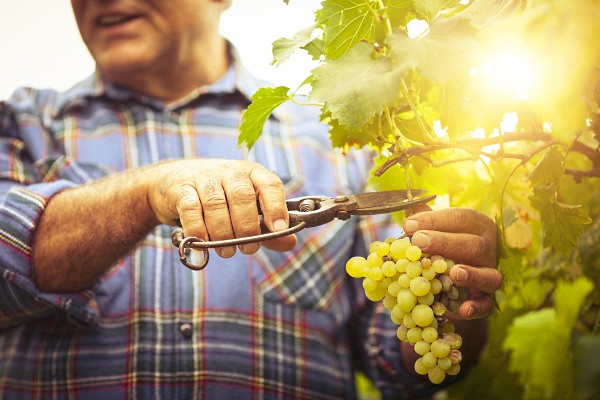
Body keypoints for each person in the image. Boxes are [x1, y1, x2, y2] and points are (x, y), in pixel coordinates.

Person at [0, 0, 503, 399]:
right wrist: (145, 192)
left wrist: (448, 299)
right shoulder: (23, 126)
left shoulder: (340, 140)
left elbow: (396, 366)